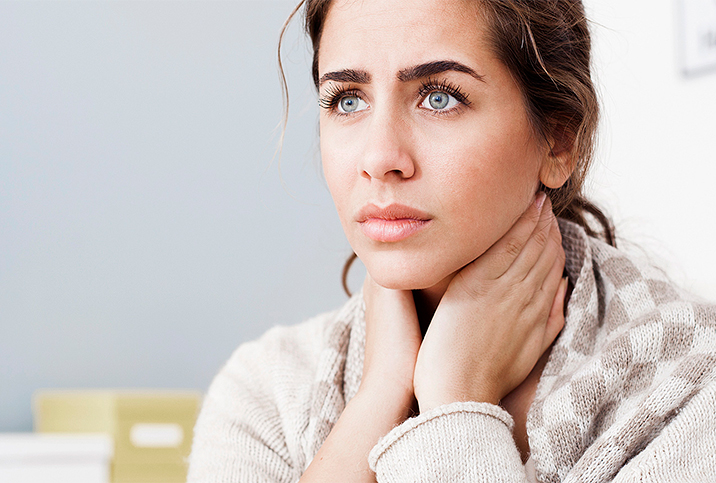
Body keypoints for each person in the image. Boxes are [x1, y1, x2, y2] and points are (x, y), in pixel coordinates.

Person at [187, 0, 716, 481]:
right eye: (348, 100)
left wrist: (454, 399)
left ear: (559, 138)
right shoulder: (265, 392)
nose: (380, 158)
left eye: (439, 97)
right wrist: (378, 400)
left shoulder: (691, 387)